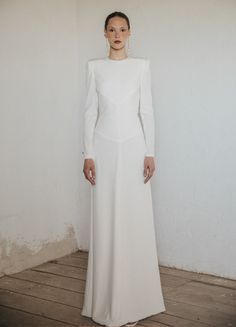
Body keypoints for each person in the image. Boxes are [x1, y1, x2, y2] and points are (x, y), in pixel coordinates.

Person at [81, 11, 166, 327]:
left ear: (130, 33)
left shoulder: (141, 66)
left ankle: (137, 298)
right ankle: (105, 300)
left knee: (133, 216)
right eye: (111, 29)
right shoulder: (94, 68)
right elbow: (90, 113)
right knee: (106, 216)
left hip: (133, 149)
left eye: (122, 29)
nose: (117, 34)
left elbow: (148, 111)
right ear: (104, 34)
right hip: (103, 150)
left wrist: (150, 151)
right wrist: (88, 153)